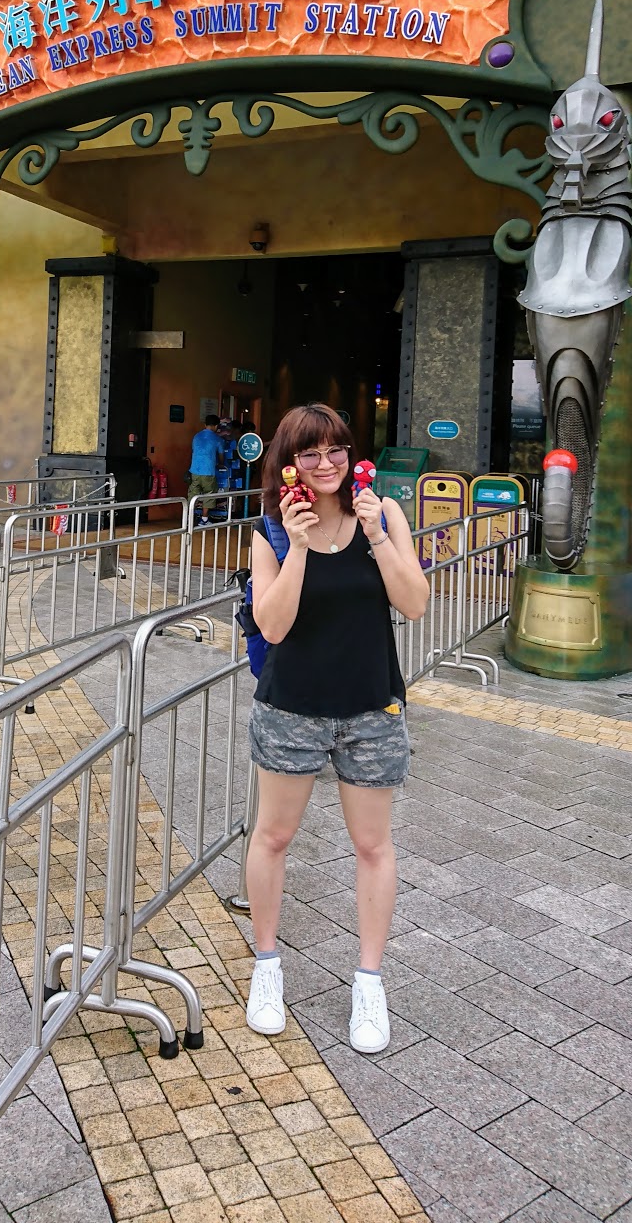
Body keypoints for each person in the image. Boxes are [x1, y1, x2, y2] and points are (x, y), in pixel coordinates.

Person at [245, 403, 428, 1052]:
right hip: (290, 707)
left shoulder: (385, 515)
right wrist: (298, 546)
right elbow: (273, 625)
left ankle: (369, 983)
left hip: (371, 708)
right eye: (311, 453)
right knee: (273, 836)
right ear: (288, 463)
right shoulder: (271, 529)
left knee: (373, 846)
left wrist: (376, 534)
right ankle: (267, 966)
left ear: (353, 454)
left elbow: (415, 602)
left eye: (337, 450)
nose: (326, 463)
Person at [187, 413, 223, 515]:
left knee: (193, 494)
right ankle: (204, 519)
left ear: (205, 424)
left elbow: (193, 451)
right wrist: (220, 464)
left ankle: (189, 518)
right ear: (216, 426)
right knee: (209, 494)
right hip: (208, 471)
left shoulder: (196, 436)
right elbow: (221, 455)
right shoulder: (217, 439)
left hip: (194, 470)